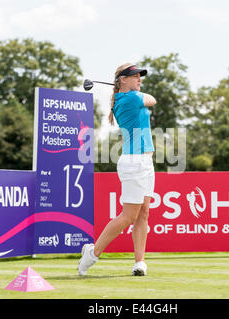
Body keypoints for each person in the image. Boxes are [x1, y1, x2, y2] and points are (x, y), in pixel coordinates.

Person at [78, 63, 156, 276]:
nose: (139, 79)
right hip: (134, 162)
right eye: (134, 76)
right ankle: (92, 254)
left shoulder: (124, 97)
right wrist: (134, 90)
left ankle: (139, 262)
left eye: (140, 76)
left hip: (145, 162)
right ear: (122, 80)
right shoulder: (130, 98)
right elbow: (153, 99)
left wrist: (128, 86)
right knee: (129, 216)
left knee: (143, 214)